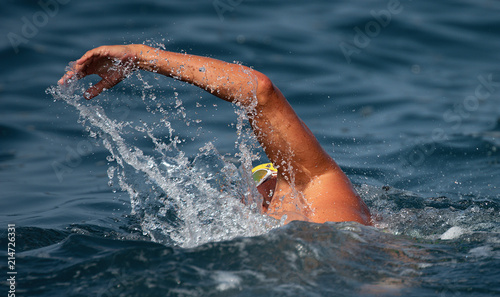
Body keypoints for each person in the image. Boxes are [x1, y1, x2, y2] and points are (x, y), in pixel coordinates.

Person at [58, 44, 371, 226]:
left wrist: (140, 57)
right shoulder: (347, 211)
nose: (274, 177)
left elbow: (258, 91)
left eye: (272, 176)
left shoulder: (314, 185)